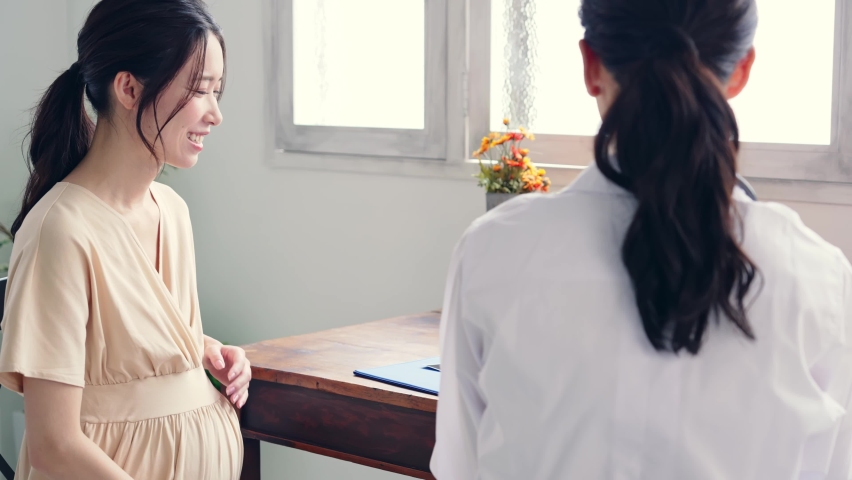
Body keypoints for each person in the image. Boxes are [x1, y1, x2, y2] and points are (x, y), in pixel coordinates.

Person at [431, 0, 852, 478]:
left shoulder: (493, 251)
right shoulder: (823, 279)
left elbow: (460, 466)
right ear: (741, 70)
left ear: (591, 64)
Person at [0, 1, 250, 478]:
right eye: (199, 91)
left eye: (217, 91)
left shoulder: (173, 212)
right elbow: (54, 445)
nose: (215, 114)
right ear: (129, 88)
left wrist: (203, 349)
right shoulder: (61, 229)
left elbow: (127, 346)